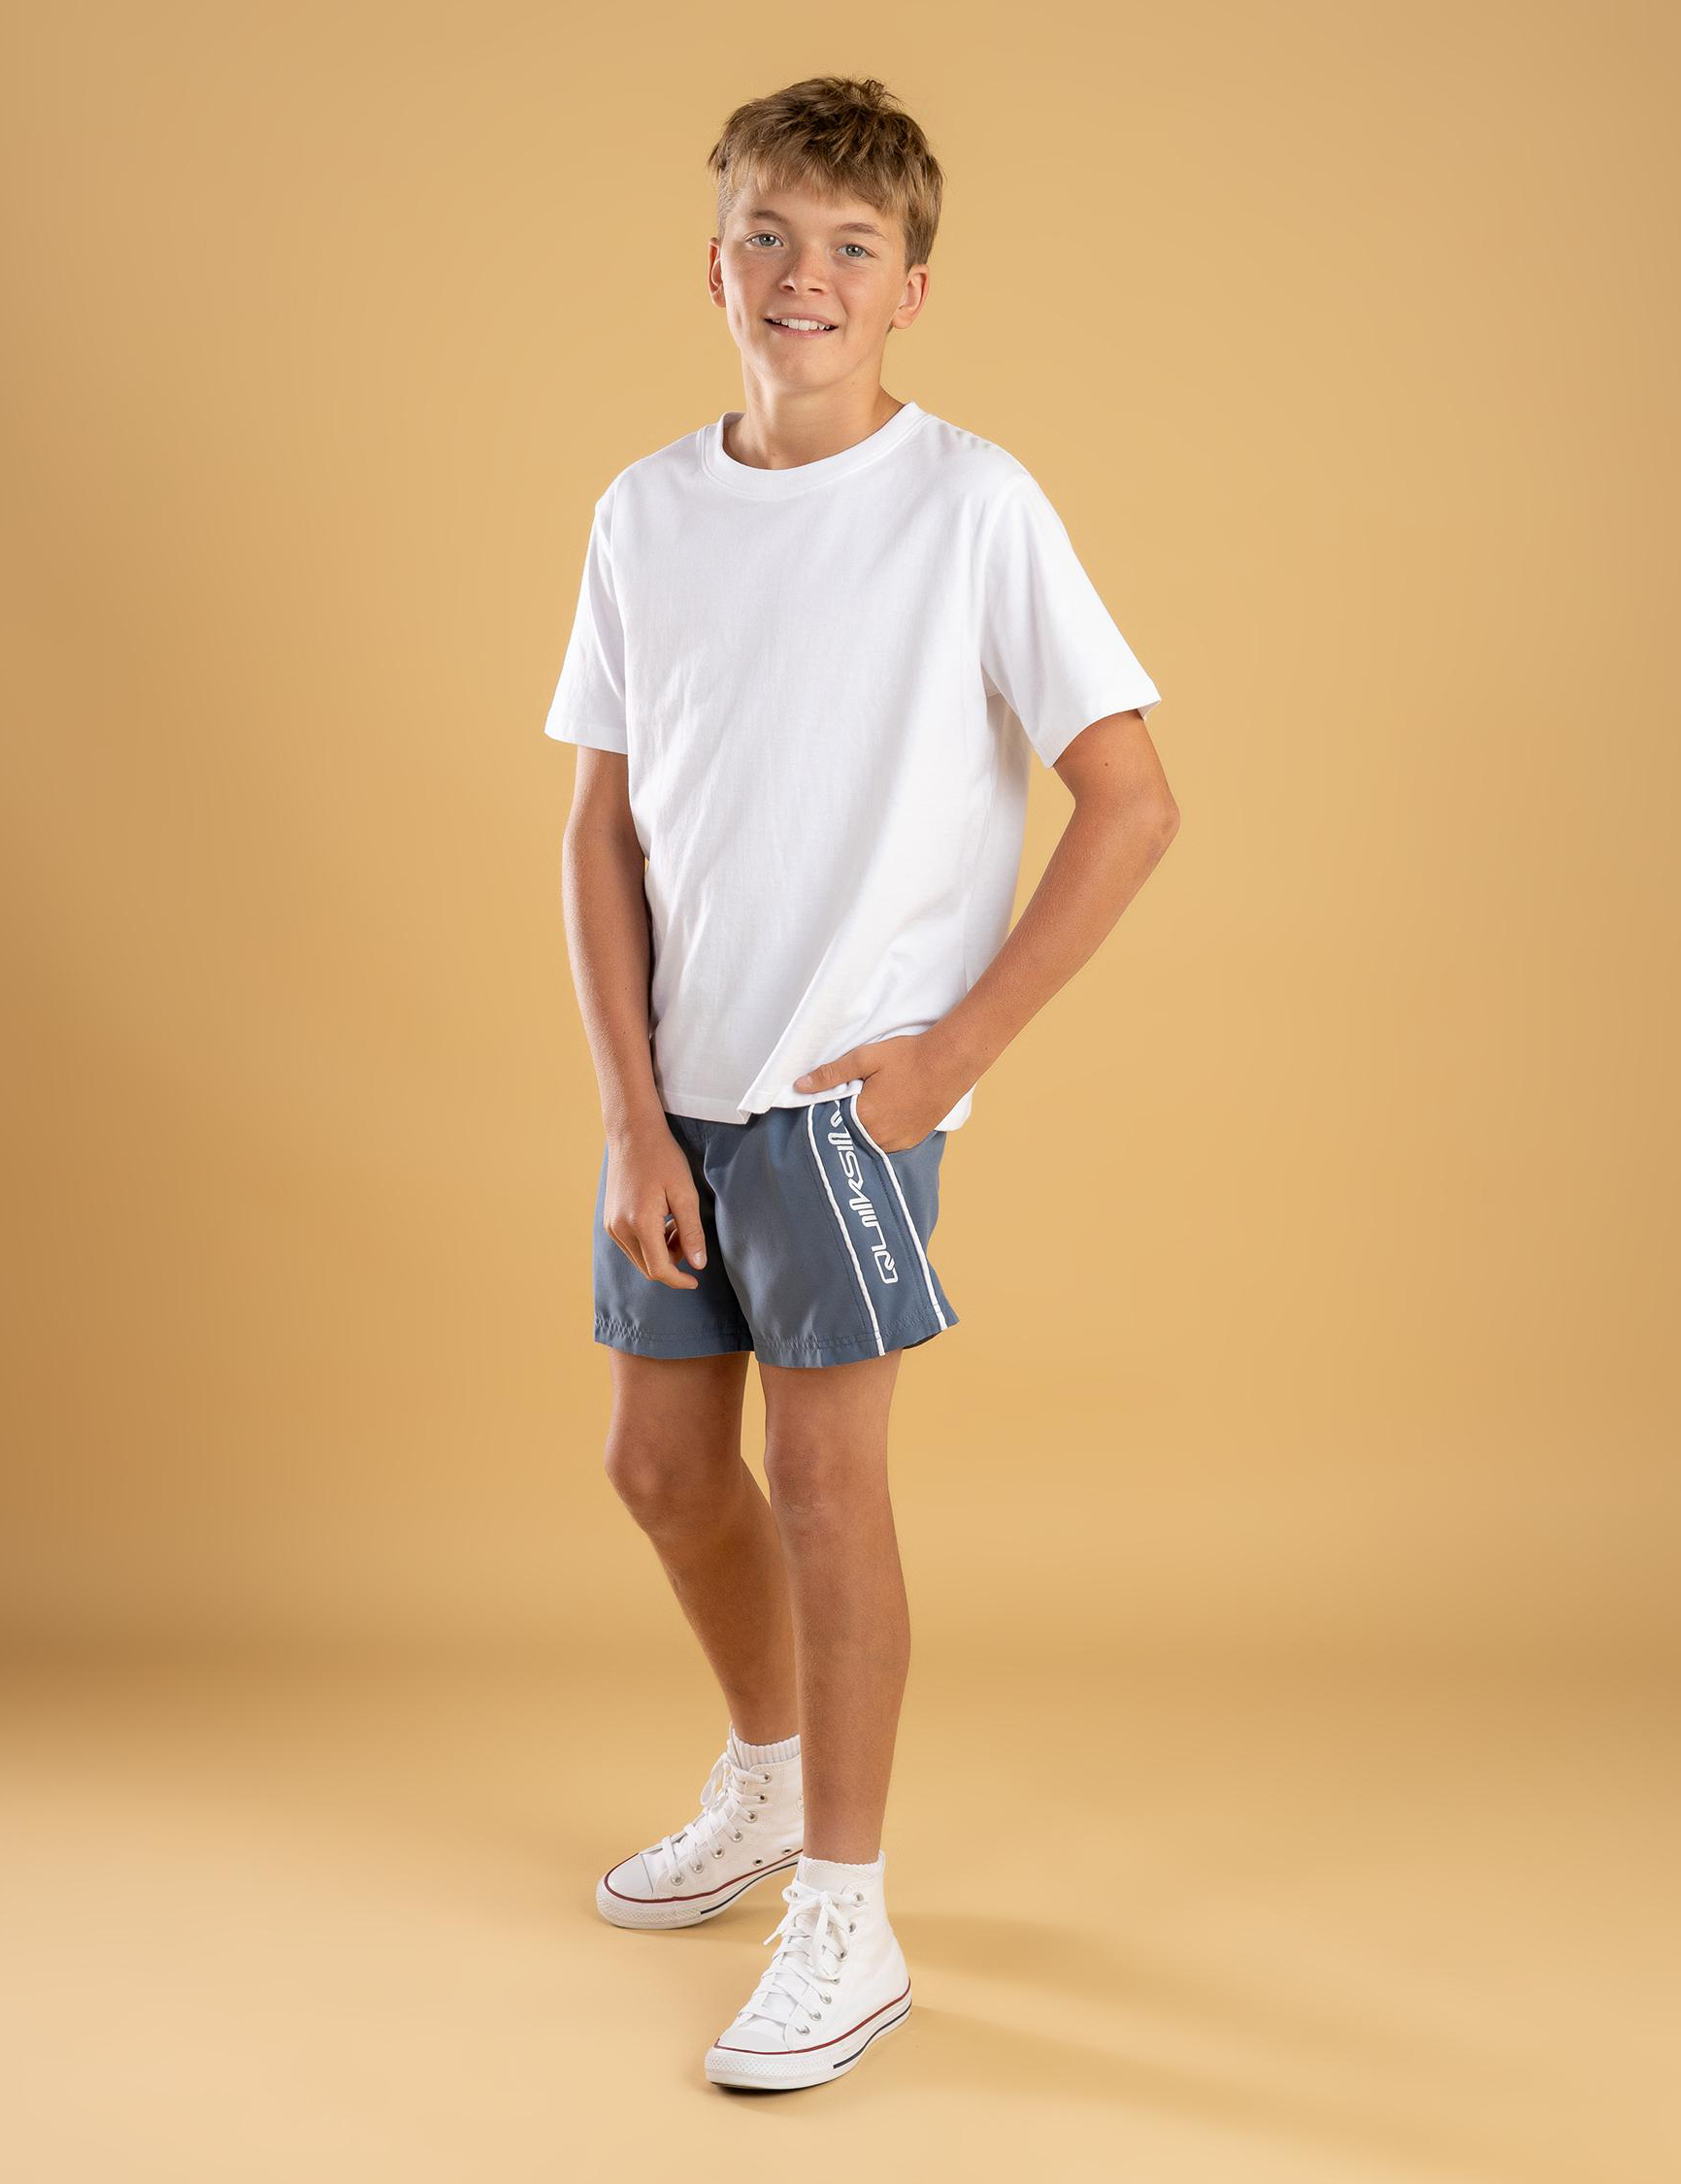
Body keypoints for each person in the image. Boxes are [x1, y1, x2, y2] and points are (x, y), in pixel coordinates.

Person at [542, 74, 1179, 2092]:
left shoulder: (971, 505)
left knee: (826, 1489)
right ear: (713, 263)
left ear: (910, 288)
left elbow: (1132, 800)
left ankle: (848, 1910)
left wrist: (951, 1055)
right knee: (661, 1471)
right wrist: (630, 1109)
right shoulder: (645, 512)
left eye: (850, 246)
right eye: (770, 235)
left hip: (842, 1103)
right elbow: (599, 830)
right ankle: (763, 1776)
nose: (802, 275)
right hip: (679, 1094)